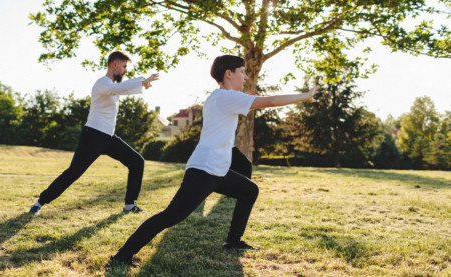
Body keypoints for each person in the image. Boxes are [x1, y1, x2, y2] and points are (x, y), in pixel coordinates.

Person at [109, 54, 319, 267]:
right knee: (170, 216)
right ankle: (122, 256)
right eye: (242, 72)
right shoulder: (226, 98)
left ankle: (233, 241)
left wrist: (245, 96)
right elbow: (271, 101)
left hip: (217, 171)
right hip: (204, 170)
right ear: (229, 74)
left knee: (249, 190)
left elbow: (235, 106)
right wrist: (305, 96)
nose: (245, 77)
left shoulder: (220, 97)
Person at [28, 51, 159, 216]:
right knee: (74, 172)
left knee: (137, 162)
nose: (125, 71)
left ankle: (129, 205)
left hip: (108, 137)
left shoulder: (113, 86)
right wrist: (141, 82)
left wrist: (142, 81)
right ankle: (39, 203)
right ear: (114, 65)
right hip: (92, 136)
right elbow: (117, 89)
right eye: (124, 66)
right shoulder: (103, 83)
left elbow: (121, 88)